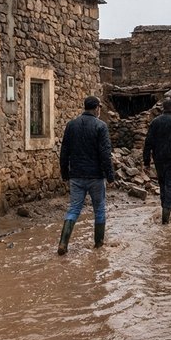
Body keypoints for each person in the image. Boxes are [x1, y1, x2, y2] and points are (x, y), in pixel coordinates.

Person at [57, 96, 115, 255]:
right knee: (99, 209)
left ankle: (63, 243)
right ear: (96, 108)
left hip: (76, 175)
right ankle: (99, 246)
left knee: (74, 209)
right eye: (99, 108)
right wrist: (110, 176)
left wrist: (65, 173)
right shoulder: (101, 126)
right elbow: (105, 154)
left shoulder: (71, 125)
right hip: (96, 176)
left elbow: (64, 152)